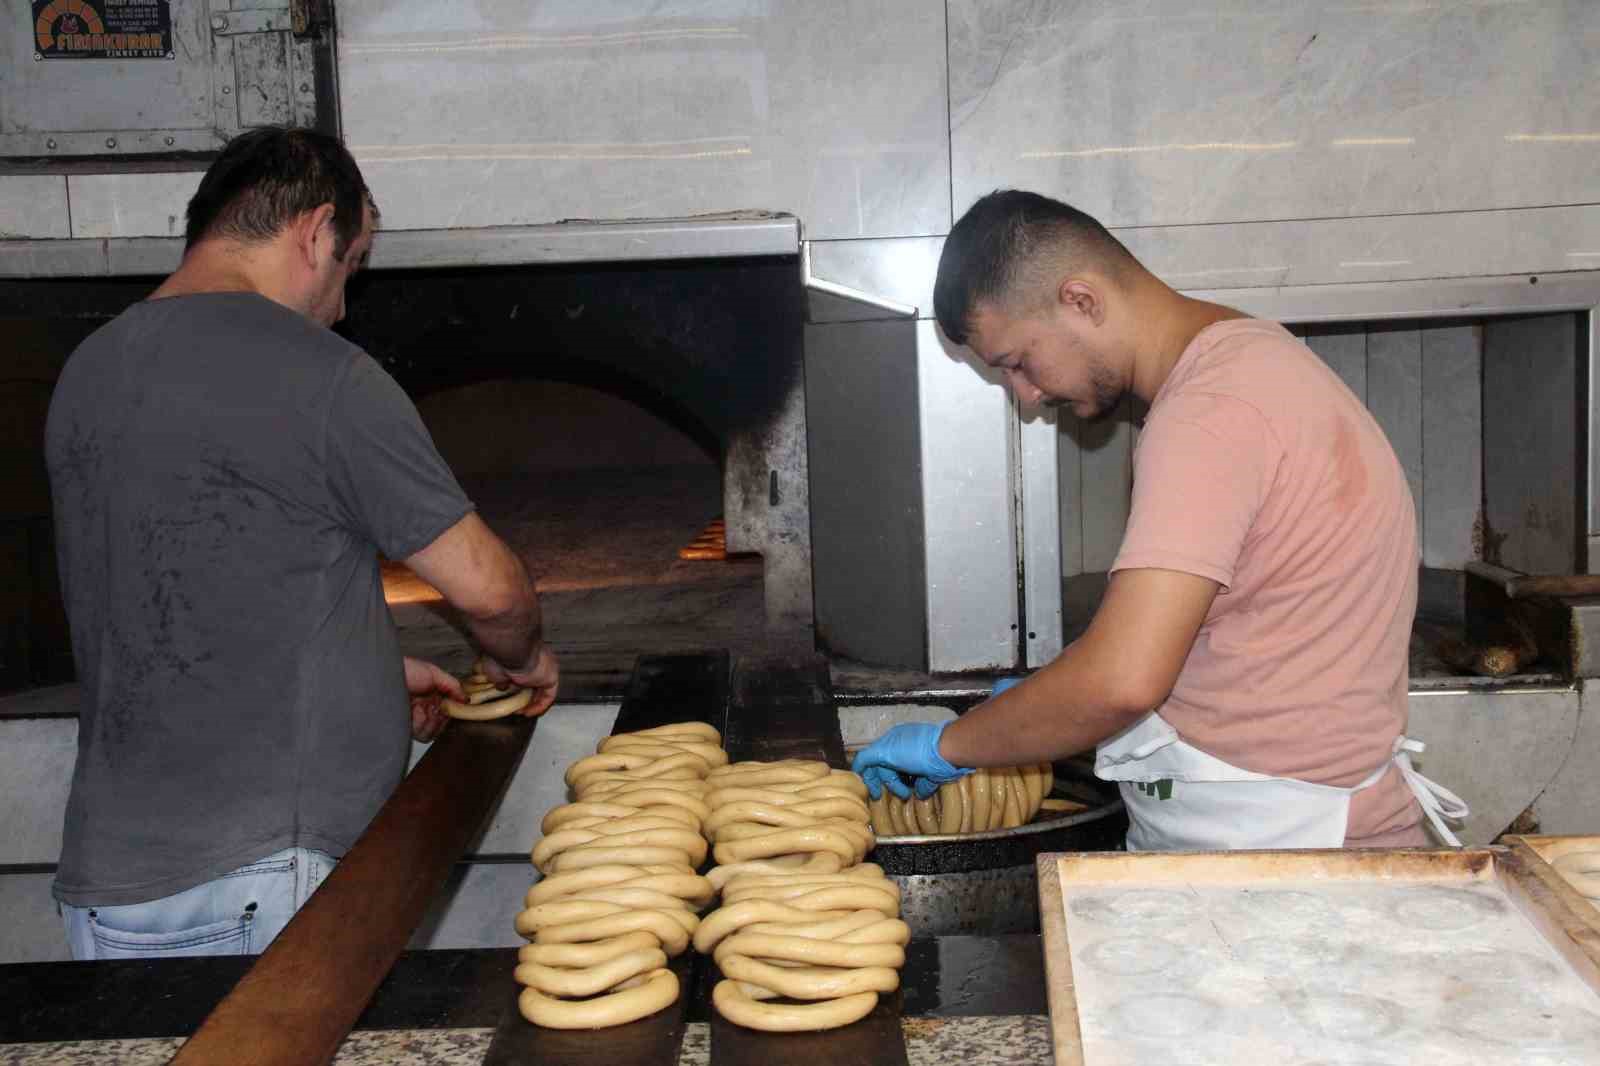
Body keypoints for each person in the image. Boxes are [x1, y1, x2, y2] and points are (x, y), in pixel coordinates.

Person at [45, 127, 559, 959]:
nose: (345, 301)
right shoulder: (322, 373)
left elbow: (173, 608)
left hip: (108, 889)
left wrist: (362, 678)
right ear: (316, 231)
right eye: (351, 264)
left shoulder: (88, 371)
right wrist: (525, 656)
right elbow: (489, 591)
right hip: (259, 884)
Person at [852, 190, 1466, 851]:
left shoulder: (1208, 414)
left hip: (1279, 856)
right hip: (1273, 832)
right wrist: (1045, 699)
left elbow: (1124, 679)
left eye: (1017, 363)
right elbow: (1216, 633)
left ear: (1081, 301)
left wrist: (953, 745)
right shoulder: (1253, 363)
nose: (1027, 399)